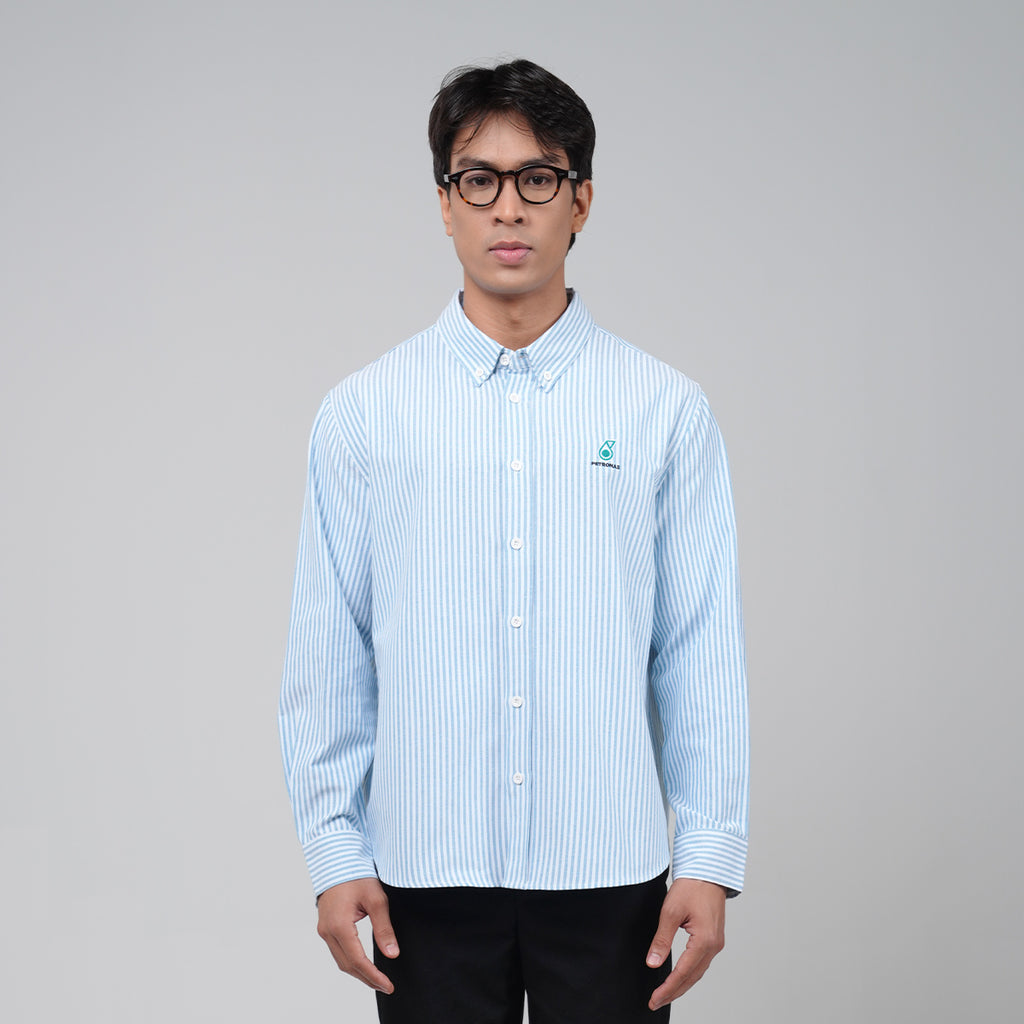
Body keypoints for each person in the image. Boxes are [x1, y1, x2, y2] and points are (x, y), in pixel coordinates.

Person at [279, 58, 749, 1023]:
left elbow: (699, 648)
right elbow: (329, 650)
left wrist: (707, 856)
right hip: (422, 875)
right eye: (478, 180)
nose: (507, 207)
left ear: (581, 202)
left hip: (611, 873)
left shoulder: (665, 410)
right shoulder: (365, 414)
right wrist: (333, 848)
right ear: (444, 205)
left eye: (537, 178)